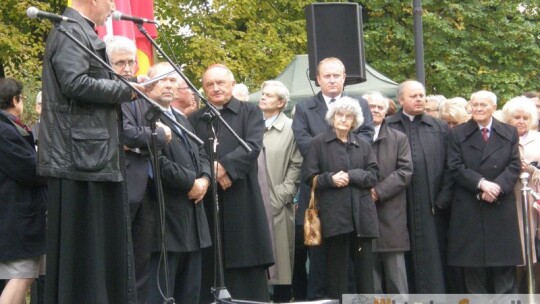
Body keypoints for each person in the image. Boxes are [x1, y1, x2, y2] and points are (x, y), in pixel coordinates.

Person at [38, 1, 141, 302]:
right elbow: (75, 83)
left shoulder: (81, 31)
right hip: (80, 158)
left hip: (89, 155)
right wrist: (130, 89)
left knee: (97, 251)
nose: (112, 6)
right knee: (85, 252)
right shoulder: (71, 31)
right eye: (109, 0)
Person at [189, 64, 274, 302]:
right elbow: (193, 153)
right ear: (203, 89)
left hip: (242, 196)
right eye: (209, 84)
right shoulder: (195, 118)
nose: (215, 88)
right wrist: (212, 172)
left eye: (220, 83)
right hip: (208, 199)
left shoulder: (250, 112)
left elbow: (252, 146)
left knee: (245, 258)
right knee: (211, 261)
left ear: (232, 85)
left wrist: (223, 167)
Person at [292, 57, 374, 300]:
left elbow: (367, 136)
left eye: (336, 75)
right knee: (320, 262)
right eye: (326, 76)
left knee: (353, 263)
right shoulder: (305, 107)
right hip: (319, 192)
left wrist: (347, 169)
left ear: (344, 77)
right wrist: (331, 166)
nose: (331, 79)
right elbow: (304, 141)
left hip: (353, 194)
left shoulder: (359, 103)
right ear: (318, 79)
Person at [107, 36, 171, 304]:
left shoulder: (141, 93)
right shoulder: (108, 93)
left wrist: (142, 142)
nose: (127, 67)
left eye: (131, 61)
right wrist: (151, 138)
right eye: (120, 62)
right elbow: (125, 133)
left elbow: (147, 135)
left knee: (143, 260)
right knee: (120, 259)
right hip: (120, 185)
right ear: (107, 64)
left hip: (148, 186)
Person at [143, 62, 211, 304]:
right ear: (148, 84)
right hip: (166, 220)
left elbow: (201, 151)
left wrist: (204, 178)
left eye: (173, 81)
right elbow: (156, 161)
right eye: (163, 80)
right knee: (163, 292)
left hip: (193, 219)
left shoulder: (181, 118)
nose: (170, 85)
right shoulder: (145, 115)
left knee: (190, 292)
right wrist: (190, 183)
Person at [447, 90, 522, 294]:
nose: (478, 108)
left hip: (500, 204)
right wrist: (481, 183)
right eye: (475, 104)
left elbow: (515, 165)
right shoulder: (457, 133)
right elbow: (454, 166)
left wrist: (496, 187)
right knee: (473, 268)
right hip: (470, 204)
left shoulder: (509, 132)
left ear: (494, 108)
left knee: (504, 266)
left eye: (483, 105)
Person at [304, 97, 379, 299]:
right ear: (332, 117)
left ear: (354, 121)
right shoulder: (318, 142)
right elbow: (309, 177)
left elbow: (373, 175)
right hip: (334, 218)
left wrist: (352, 175)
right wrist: (330, 179)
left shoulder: (362, 144)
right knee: (337, 273)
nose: (344, 119)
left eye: (348, 116)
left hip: (361, 217)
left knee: (364, 274)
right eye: (340, 115)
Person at [386, 80, 450, 293]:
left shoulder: (438, 126)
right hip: (399, 205)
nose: (419, 99)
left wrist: (443, 197)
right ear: (401, 99)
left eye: (422, 95)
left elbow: (451, 165)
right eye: (413, 96)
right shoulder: (388, 126)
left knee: (434, 257)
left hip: (431, 204)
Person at [0, 78, 46, 304]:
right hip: (16, 218)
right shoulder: (5, 130)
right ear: (15, 100)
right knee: (22, 275)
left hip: (15, 217)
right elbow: (29, 169)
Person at [364, 91, 412, 294]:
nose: (374, 110)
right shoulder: (352, 137)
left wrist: (378, 192)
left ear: (386, 111)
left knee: (396, 277)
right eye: (370, 106)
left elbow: (405, 171)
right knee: (368, 277)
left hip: (391, 213)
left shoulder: (399, 138)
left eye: (379, 107)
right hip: (363, 213)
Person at [258, 80, 302, 302]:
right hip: (253, 203)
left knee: (282, 264)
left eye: (269, 95)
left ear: (281, 103)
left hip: (278, 204)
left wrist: (282, 195)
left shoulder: (292, 128)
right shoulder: (252, 126)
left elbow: (297, 164)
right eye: (263, 93)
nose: (263, 97)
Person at [501, 96, 540, 292]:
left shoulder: (538, 139)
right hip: (507, 197)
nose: (521, 121)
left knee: (531, 247)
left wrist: (532, 170)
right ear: (508, 118)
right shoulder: (501, 137)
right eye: (517, 117)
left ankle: (531, 290)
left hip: (532, 199)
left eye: (526, 117)